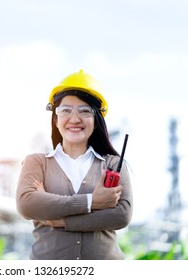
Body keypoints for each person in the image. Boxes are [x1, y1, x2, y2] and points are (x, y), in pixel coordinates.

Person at [16, 69, 133, 260]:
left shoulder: (113, 164)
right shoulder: (37, 162)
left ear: (97, 120)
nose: (75, 119)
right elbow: (27, 204)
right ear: (55, 119)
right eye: (66, 111)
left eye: (85, 111)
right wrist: (92, 202)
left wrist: (61, 221)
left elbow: (121, 216)